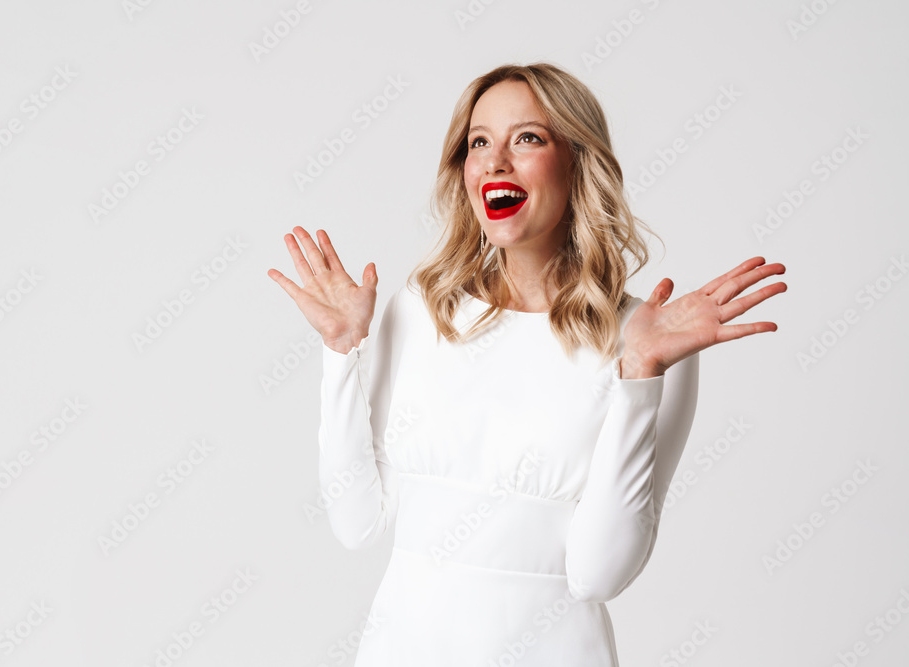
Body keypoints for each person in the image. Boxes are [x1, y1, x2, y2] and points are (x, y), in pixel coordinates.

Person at [268, 62, 786, 666]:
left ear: (577, 162)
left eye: (527, 139)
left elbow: (599, 574)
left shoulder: (646, 339)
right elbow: (355, 522)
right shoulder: (419, 311)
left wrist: (640, 373)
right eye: (478, 142)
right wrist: (341, 351)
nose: (495, 162)